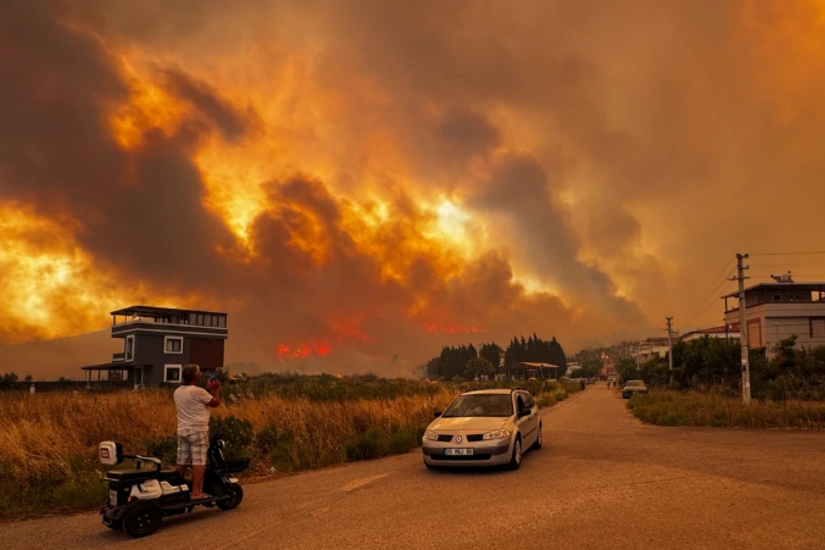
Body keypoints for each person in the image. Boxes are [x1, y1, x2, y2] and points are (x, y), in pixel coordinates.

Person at [174, 364, 221, 500]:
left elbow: (197, 398)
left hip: (182, 429)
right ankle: (196, 492)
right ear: (196, 377)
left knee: (182, 460)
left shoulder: (178, 391)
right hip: (197, 429)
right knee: (199, 461)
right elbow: (215, 403)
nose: (200, 375)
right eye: (199, 373)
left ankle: (177, 489)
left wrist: (208, 389)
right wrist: (216, 390)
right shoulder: (198, 391)